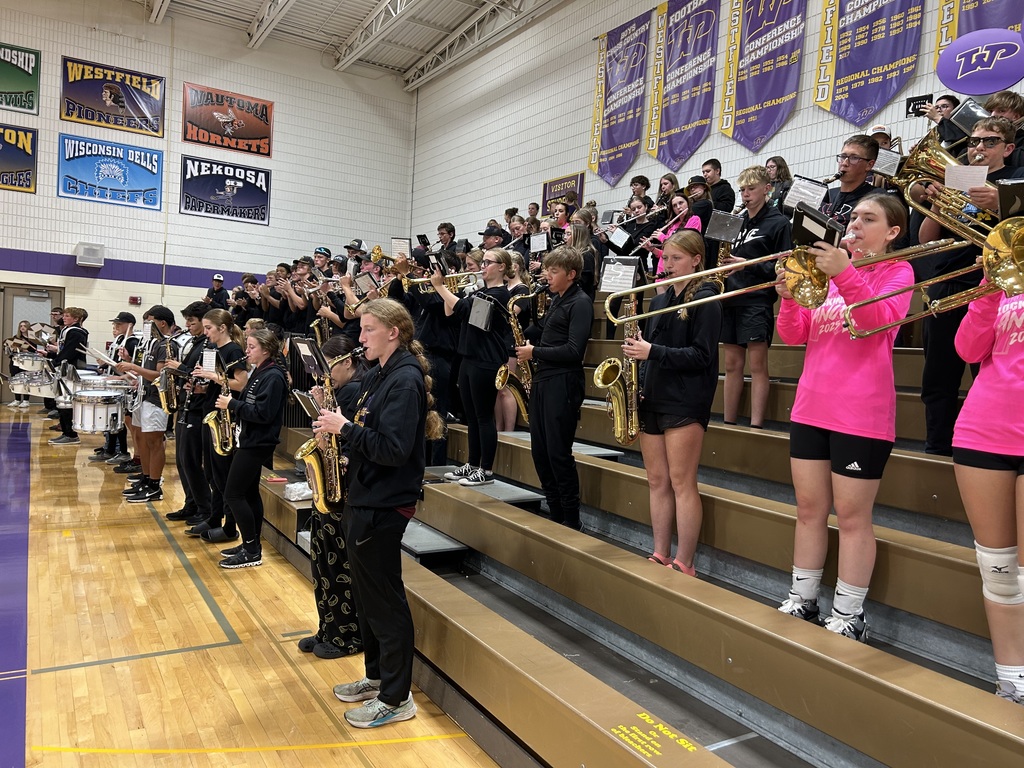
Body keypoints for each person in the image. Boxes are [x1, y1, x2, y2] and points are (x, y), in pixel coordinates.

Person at [775, 193, 914, 641]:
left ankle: (850, 613)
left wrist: (846, 273)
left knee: (853, 518)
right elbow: (795, 335)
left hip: (862, 413)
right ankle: (803, 597)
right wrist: (790, 297)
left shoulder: (899, 270)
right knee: (809, 509)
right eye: (853, 216)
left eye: (868, 219)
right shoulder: (831, 276)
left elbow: (876, 321)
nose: (855, 224)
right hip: (812, 406)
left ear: (892, 233)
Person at [317, 298, 442, 729]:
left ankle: (397, 697)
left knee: (385, 602)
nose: (360, 337)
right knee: (368, 598)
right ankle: (377, 677)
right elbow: (365, 424)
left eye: (368, 329)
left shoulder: (404, 380)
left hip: (385, 502)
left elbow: (392, 449)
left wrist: (345, 430)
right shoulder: (381, 372)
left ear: (394, 332)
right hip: (366, 496)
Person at [916, 117, 1017, 454]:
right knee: (938, 373)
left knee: (985, 371)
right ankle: (938, 444)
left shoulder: (1016, 182)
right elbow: (926, 239)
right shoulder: (959, 179)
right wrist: (937, 205)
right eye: (974, 142)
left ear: (1009, 148)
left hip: (997, 288)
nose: (979, 148)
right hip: (948, 282)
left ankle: (985, 446)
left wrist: (1001, 203)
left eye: (990, 142)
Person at [624, 230, 721, 574]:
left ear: (696, 260)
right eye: (666, 258)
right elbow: (653, 354)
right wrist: (640, 359)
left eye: (676, 258)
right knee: (657, 481)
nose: (668, 265)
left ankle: (685, 561)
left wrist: (652, 351)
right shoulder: (660, 300)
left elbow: (702, 355)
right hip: (655, 395)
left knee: (682, 482)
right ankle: (660, 552)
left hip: (685, 400)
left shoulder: (707, 297)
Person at [951, 253, 1024, 704]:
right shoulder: (1007, 276)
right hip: (984, 429)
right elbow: (969, 349)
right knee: (999, 574)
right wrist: (990, 285)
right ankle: (1012, 680)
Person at [300, 334, 369, 658]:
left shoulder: (356, 391)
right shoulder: (341, 390)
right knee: (323, 566)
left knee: (336, 568)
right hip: (331, 487)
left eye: (328, 367)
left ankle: (346, 635)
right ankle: (328, 628)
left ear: (347, 363)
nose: (324, 374)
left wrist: (329, 443)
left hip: (343, 488)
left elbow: (349, 441)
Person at [516, 246, 593, 529]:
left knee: (558, 453)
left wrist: (534, 352)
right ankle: (556, 510)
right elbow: (544, 332)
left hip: (564, 382)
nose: (547, 275)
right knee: (541, 451)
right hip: (545, 379)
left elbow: (574, 350)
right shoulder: (557, 299)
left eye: (554, 271)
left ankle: (571, 519)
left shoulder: (580, 303)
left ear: (571, 274)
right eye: (546, 269)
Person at [431, 248, 513, 486]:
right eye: (483, 262)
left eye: (489, 262)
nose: (483, 266)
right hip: (468, 358)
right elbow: (451, 314)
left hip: (486, 361)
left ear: (502, 267)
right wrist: (448, 288)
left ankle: (486, 470)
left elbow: (468, 312)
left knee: (484, 416)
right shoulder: (481, 292)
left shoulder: (499, 295)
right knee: (473, 418)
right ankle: (473, 463)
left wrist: (440, 287)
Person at [721, 166, 791, 429]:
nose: (746, 194)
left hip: (757, 298)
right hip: (731, 296)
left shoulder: (779, 223)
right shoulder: (736, 222)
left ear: (767, 189)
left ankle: (756, 426)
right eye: (742, 190)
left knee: (758, 365)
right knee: (731, 364)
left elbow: (783, 266)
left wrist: (747, 264)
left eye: (751, 189)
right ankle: (729, 423)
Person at [213, 329, 287, 568]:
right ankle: (250, 544)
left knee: (233, 494)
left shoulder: (274, 376)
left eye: (252, 347)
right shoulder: (261, 372)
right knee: (249, 493)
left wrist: (232, 404)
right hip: (249, 439)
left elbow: (264, 414)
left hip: (257, 443)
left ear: (266, 349)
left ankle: (251, 550)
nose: (247, 351)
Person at [186, 309, 248, 541]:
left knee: (222, 474)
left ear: (222, 328)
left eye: (209, 328)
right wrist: (202, 387)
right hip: (209, 412)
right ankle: (214, 517)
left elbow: (240, 384)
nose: (206, 332)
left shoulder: (233, 350)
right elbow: (221, 384)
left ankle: (230, 526)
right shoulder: (212, 349)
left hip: (223, 419)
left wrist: (212, 377)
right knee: (211, 472)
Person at [115, 306, 180, 501]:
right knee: (141, 439)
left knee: (154, 442)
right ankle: (145, 478)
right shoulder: (149, 344)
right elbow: (145, 371)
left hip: (156, 399)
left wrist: (133, 366)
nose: (146, 326)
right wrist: (130, 364)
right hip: (142, 396)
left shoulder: (167, 345)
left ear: (162, 323)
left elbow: (160, 376)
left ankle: (154, 484)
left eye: (150, 321)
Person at [165, 302, 212, 526]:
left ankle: (205, 508)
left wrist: (179, 368)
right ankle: (191, 503)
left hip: (198, 408)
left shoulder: (209, 346)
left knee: (192, 461)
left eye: (192, 322)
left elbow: (205, 375)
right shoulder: (195, 343)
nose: (187, 325)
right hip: (186, 404)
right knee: (182, 461)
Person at [495, 252, 531, 432]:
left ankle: (508, 430)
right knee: (498, 388)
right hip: (500, 339)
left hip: (512, 341)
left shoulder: (522, 289)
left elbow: (511, 314)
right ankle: (498, 428)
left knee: (506, 388)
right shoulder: (505, 288)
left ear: (514, 267)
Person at [46, 307, 89, 446]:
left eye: (67, 316)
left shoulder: (77, 332)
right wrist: (51, 355)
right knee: (61, 402)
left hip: (72, 369)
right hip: (64, 368)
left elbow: (70, 352)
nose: (64, 318)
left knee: (67, 403)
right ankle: (66, 432)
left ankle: (71, 434)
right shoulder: (67, 330)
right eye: (64, 315)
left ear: (76, 319)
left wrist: (55, 362)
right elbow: (63, 350)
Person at [820, 134, 878, 229]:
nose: (844, 163)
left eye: (854, 158)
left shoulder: (877, 198)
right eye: (843, 156)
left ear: (869, 165)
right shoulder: (828, 194)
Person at [5, 320, 36, 408]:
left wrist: (26, 350)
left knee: (26, 380)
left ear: (28, 328)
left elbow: (34, 351)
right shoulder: (15, 338)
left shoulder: (32, 339)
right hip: (16, 361)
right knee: (15, 380)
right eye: (21, 326)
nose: (22, 328)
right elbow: (10, 350)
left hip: (27, 362)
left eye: (24, 326)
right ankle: (17, 399)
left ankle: (26, 400)